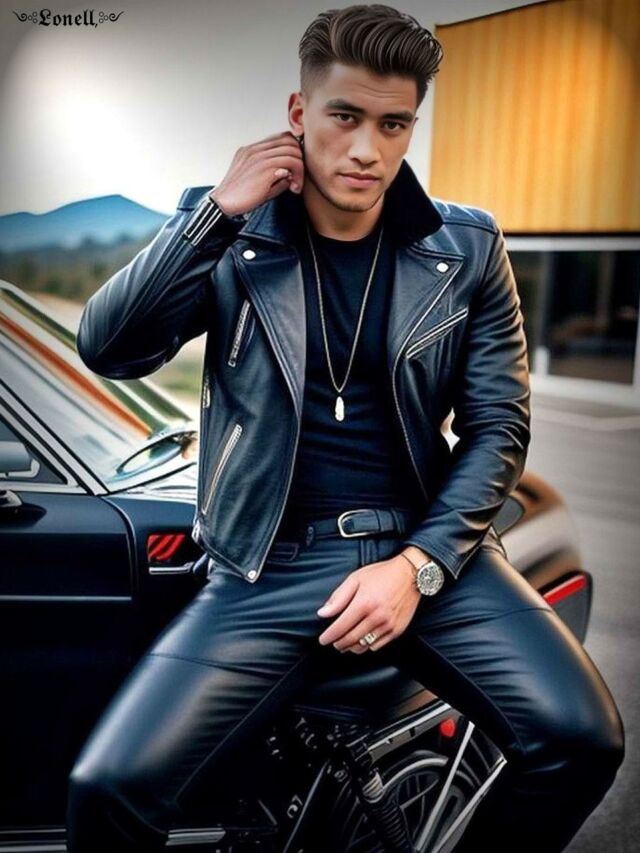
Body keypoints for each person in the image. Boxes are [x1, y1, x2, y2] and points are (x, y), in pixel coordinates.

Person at [66, 4, 624, 851]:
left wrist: (418, 566)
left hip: (429, 548)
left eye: (393, 124)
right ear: (299, 113)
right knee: (107, 790)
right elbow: (108, 348)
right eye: (345, 116)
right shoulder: (233, 233)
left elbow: (498, 430)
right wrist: (214, 212)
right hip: (268, 564)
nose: (367, 148)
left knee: (583, 738)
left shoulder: (466, 247)